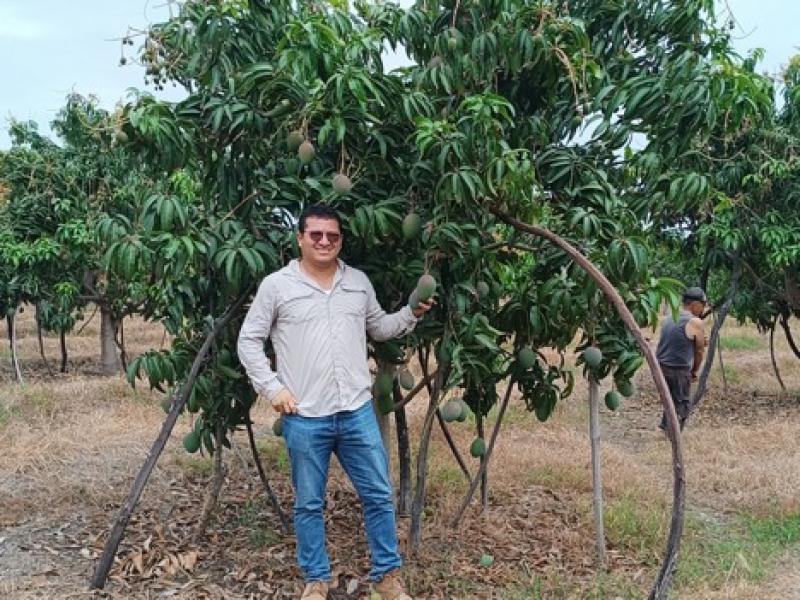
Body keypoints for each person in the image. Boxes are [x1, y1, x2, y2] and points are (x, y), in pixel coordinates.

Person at [237, 204, 433, 600]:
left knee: (378, 493)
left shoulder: (357, 282)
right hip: (306, 416)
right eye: (316, 235)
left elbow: (378, 327)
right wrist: (273, 389)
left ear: (341, 239)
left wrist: (410, 313)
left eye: (333, 235)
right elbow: (248, 340)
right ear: (300, 239)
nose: (325, 241)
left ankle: (388, 575)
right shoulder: (278, 286)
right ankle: (316, 579)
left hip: (357, 411)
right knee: (309, 503)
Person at [656, 286, 708, 432]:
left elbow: (678, 340)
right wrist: (694, 371)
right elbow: (699, 350)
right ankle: (674, 436)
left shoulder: (670, 317)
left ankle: (666, 428)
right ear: (695, 304)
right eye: (703, 305)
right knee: (681, 406)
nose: (703, 309)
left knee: (669, 401)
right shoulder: (695, 322)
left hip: (661, 368)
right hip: (678, 370)